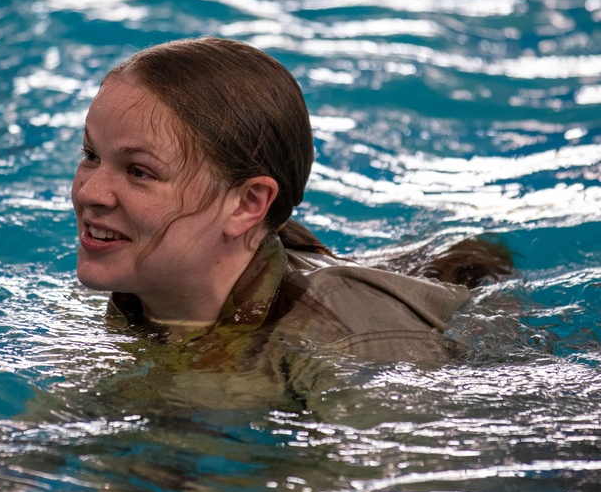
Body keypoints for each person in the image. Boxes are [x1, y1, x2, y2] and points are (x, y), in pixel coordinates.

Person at [72, 36, 512, 378]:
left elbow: (424, 486)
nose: (90, 192)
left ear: (247, 204)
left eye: (139, 172)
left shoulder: (350, 347)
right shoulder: (135, 294)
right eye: (91, 154)